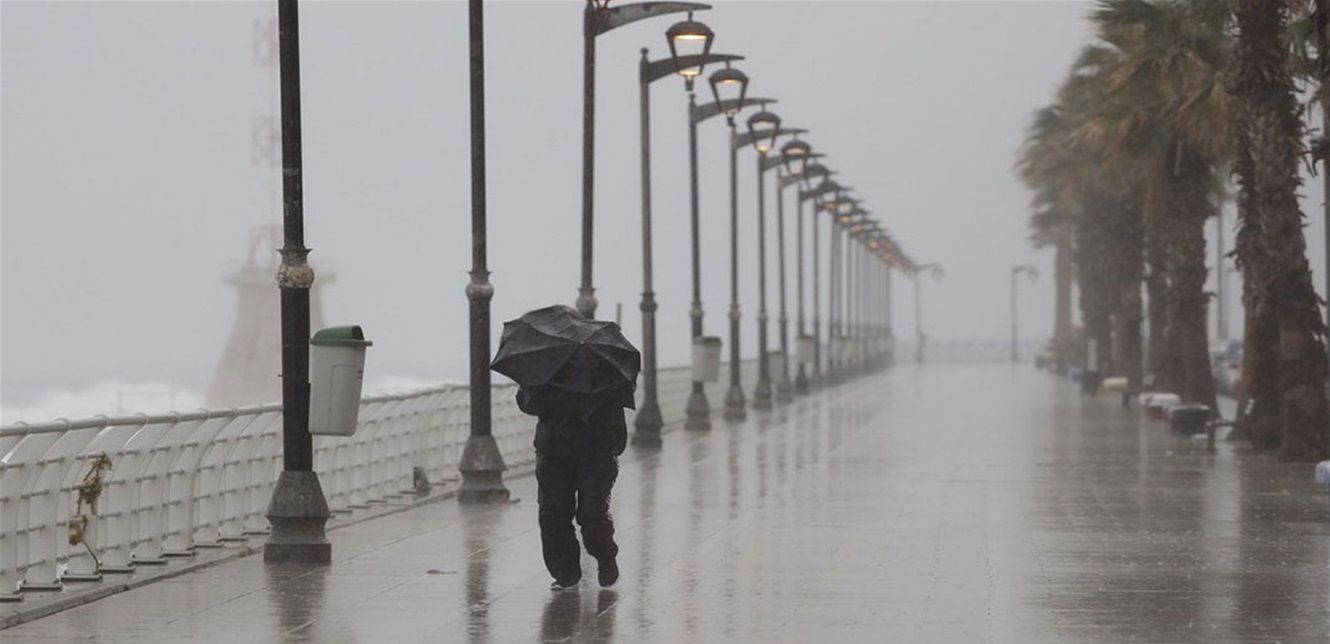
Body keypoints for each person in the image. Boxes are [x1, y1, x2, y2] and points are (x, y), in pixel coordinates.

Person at [526, 390, 625, 589]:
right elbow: (528, 402)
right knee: (553, 512)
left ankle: (605, 555)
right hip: (554, 449)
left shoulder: (605, 376)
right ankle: (565, 572)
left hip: (597, 450)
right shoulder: (545, 375)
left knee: (592, 514)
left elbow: (617, 407)